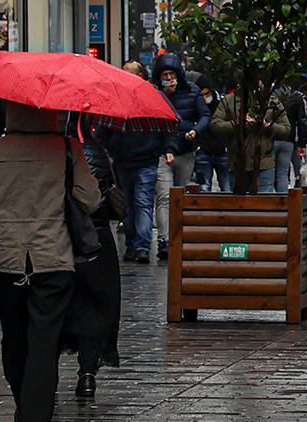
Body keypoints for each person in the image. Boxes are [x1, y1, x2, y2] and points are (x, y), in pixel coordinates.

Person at [0, 102, 101, 421]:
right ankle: (36, 412)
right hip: (53, 258)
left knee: (14, 336)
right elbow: (90, 199)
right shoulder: (66, 148)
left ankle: (22, 402)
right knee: (45, 341)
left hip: (3, 259)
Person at [63, 117, 121, 398]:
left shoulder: (51, 151)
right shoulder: (96, 149)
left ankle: (44, 373)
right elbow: (100, 196)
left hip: (59, 238)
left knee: (58, 306)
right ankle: (87, 373)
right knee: (94, 308)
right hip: (95, 239)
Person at [103, 62, 168, 264]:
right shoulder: (118, 97)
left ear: (141, 75)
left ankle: (140, 246)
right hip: (126, 160)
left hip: (143, 160)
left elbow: (168, 123)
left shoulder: (151, 96)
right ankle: (134, 245)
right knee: (131, 205)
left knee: (140, 204)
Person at [152, 54, 211, 260]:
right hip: (162, 152)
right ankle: (164, 239)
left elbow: (205, 115)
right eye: (164, 75)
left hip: (186, 150)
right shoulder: (156, 93)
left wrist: (197, 131)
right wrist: (164, 96)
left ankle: (179, 234)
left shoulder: (192, 91)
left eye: (171, 74)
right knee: (165, 195)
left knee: (182, 192)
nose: (169, 78)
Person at [210, 89, 291, 193]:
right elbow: (215, 125)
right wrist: (238, 124)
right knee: (237, 205)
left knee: (264, 204)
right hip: (237, 163)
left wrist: (267, 125)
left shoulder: (272, 102)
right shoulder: (229, 100)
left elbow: (286, 129)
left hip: (264, 164)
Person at [192, 74, 230, 192]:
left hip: (222, 150)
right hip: (203, 150)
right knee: (204, 188)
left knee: (227, 188)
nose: (204, 97)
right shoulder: (195, 104)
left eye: (206, 93)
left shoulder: (223, 104)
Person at [274, 86, 307, 192]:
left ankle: (270, 200)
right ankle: (282, 200)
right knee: (283, 173)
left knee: (269, 171)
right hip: (289, 138)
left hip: (271, 136)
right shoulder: (297, 98)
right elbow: (302, 122)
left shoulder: (271, 95)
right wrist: (302, 143)